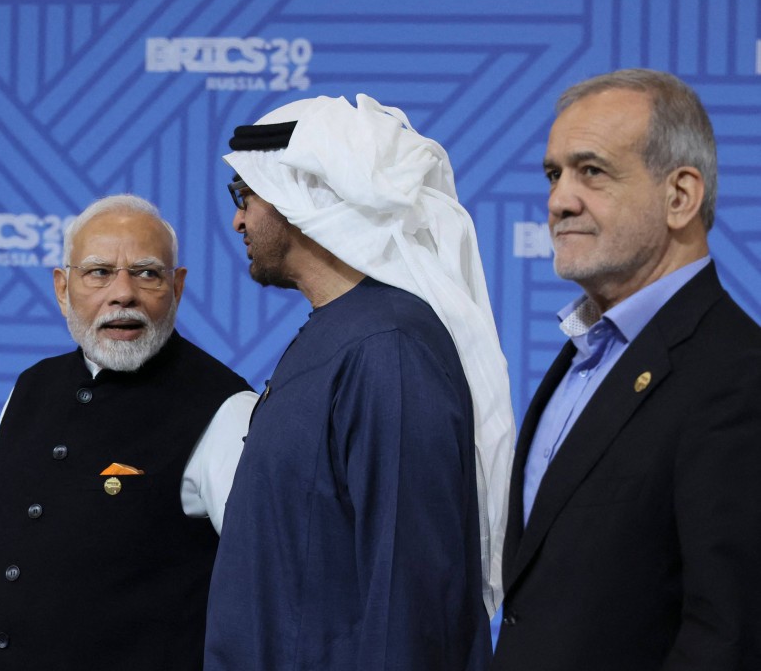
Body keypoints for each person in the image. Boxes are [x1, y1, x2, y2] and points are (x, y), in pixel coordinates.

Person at [204, 94, 516, 670]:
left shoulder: (387, 348)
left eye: (244, 195)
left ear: (301, 194)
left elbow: (411, 597)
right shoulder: (343, 335)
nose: (238, 219)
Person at [492, 69, 761, 671]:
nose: (560, 199)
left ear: (680, 197)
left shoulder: (737, 376)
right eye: (553, 173)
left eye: (592, 171)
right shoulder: (584, 355)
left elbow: (729, 634)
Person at [0, 194, 256, 670]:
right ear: (62, 288)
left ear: (178, 287)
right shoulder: (30, 388)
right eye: (99, 272)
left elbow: (266, 593)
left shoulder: (227, 409)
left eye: (147, 273)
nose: (123, 293)